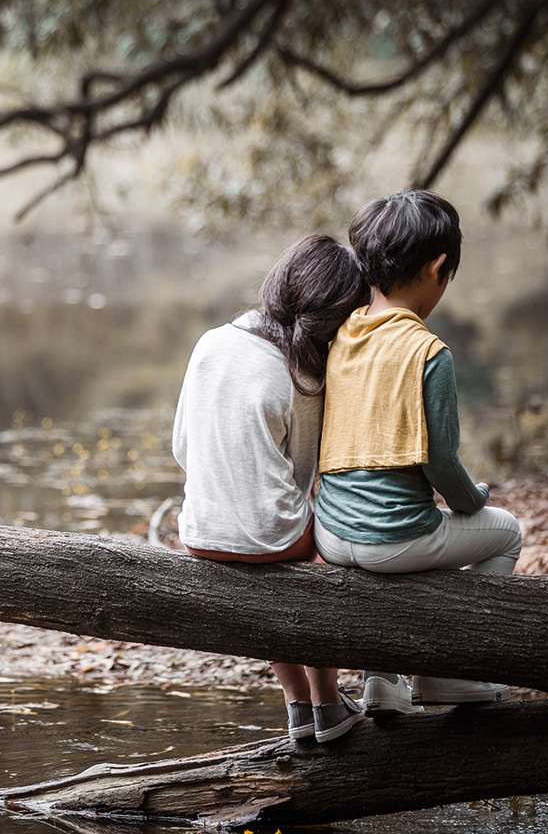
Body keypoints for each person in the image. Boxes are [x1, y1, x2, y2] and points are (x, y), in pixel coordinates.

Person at [314, 190, 523, 715]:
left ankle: (382, 681)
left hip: (332, 534)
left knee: (421, 539)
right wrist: (471, 500)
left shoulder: (342, 336)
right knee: (505, 532)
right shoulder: (429, 352)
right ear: (437, 268)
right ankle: (445, 673)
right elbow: (440, 462)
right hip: (391, 542)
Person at [172, 234, 369, 742]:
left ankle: (295, 704)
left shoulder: (210, 342)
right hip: (273, 539)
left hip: (199, 533)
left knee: (262, 560)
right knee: (325, 543)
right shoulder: (303, 370)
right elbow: (305, 472)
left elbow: (180, 447)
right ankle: (328, 702)